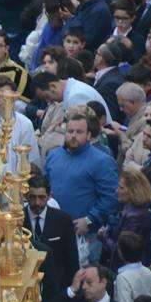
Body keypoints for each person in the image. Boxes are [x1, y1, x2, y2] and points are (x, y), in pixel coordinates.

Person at [44, 111, 119, 264]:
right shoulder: (53, 155)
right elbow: (44, 186)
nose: (73, 135)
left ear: (89, 135)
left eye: (79, 132)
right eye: (70, 131)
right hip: (53, 229)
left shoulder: (102, 161)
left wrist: (90, 220)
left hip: (85, 233)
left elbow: (111, 198)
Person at [26, 174, 79, 302]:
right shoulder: (17, 220)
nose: (37, 203)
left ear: (50, 196)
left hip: (55, 290)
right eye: (32, 197)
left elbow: (72, 262)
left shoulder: (63, 220)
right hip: (26, 292)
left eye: (42, 197)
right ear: (25, 196)